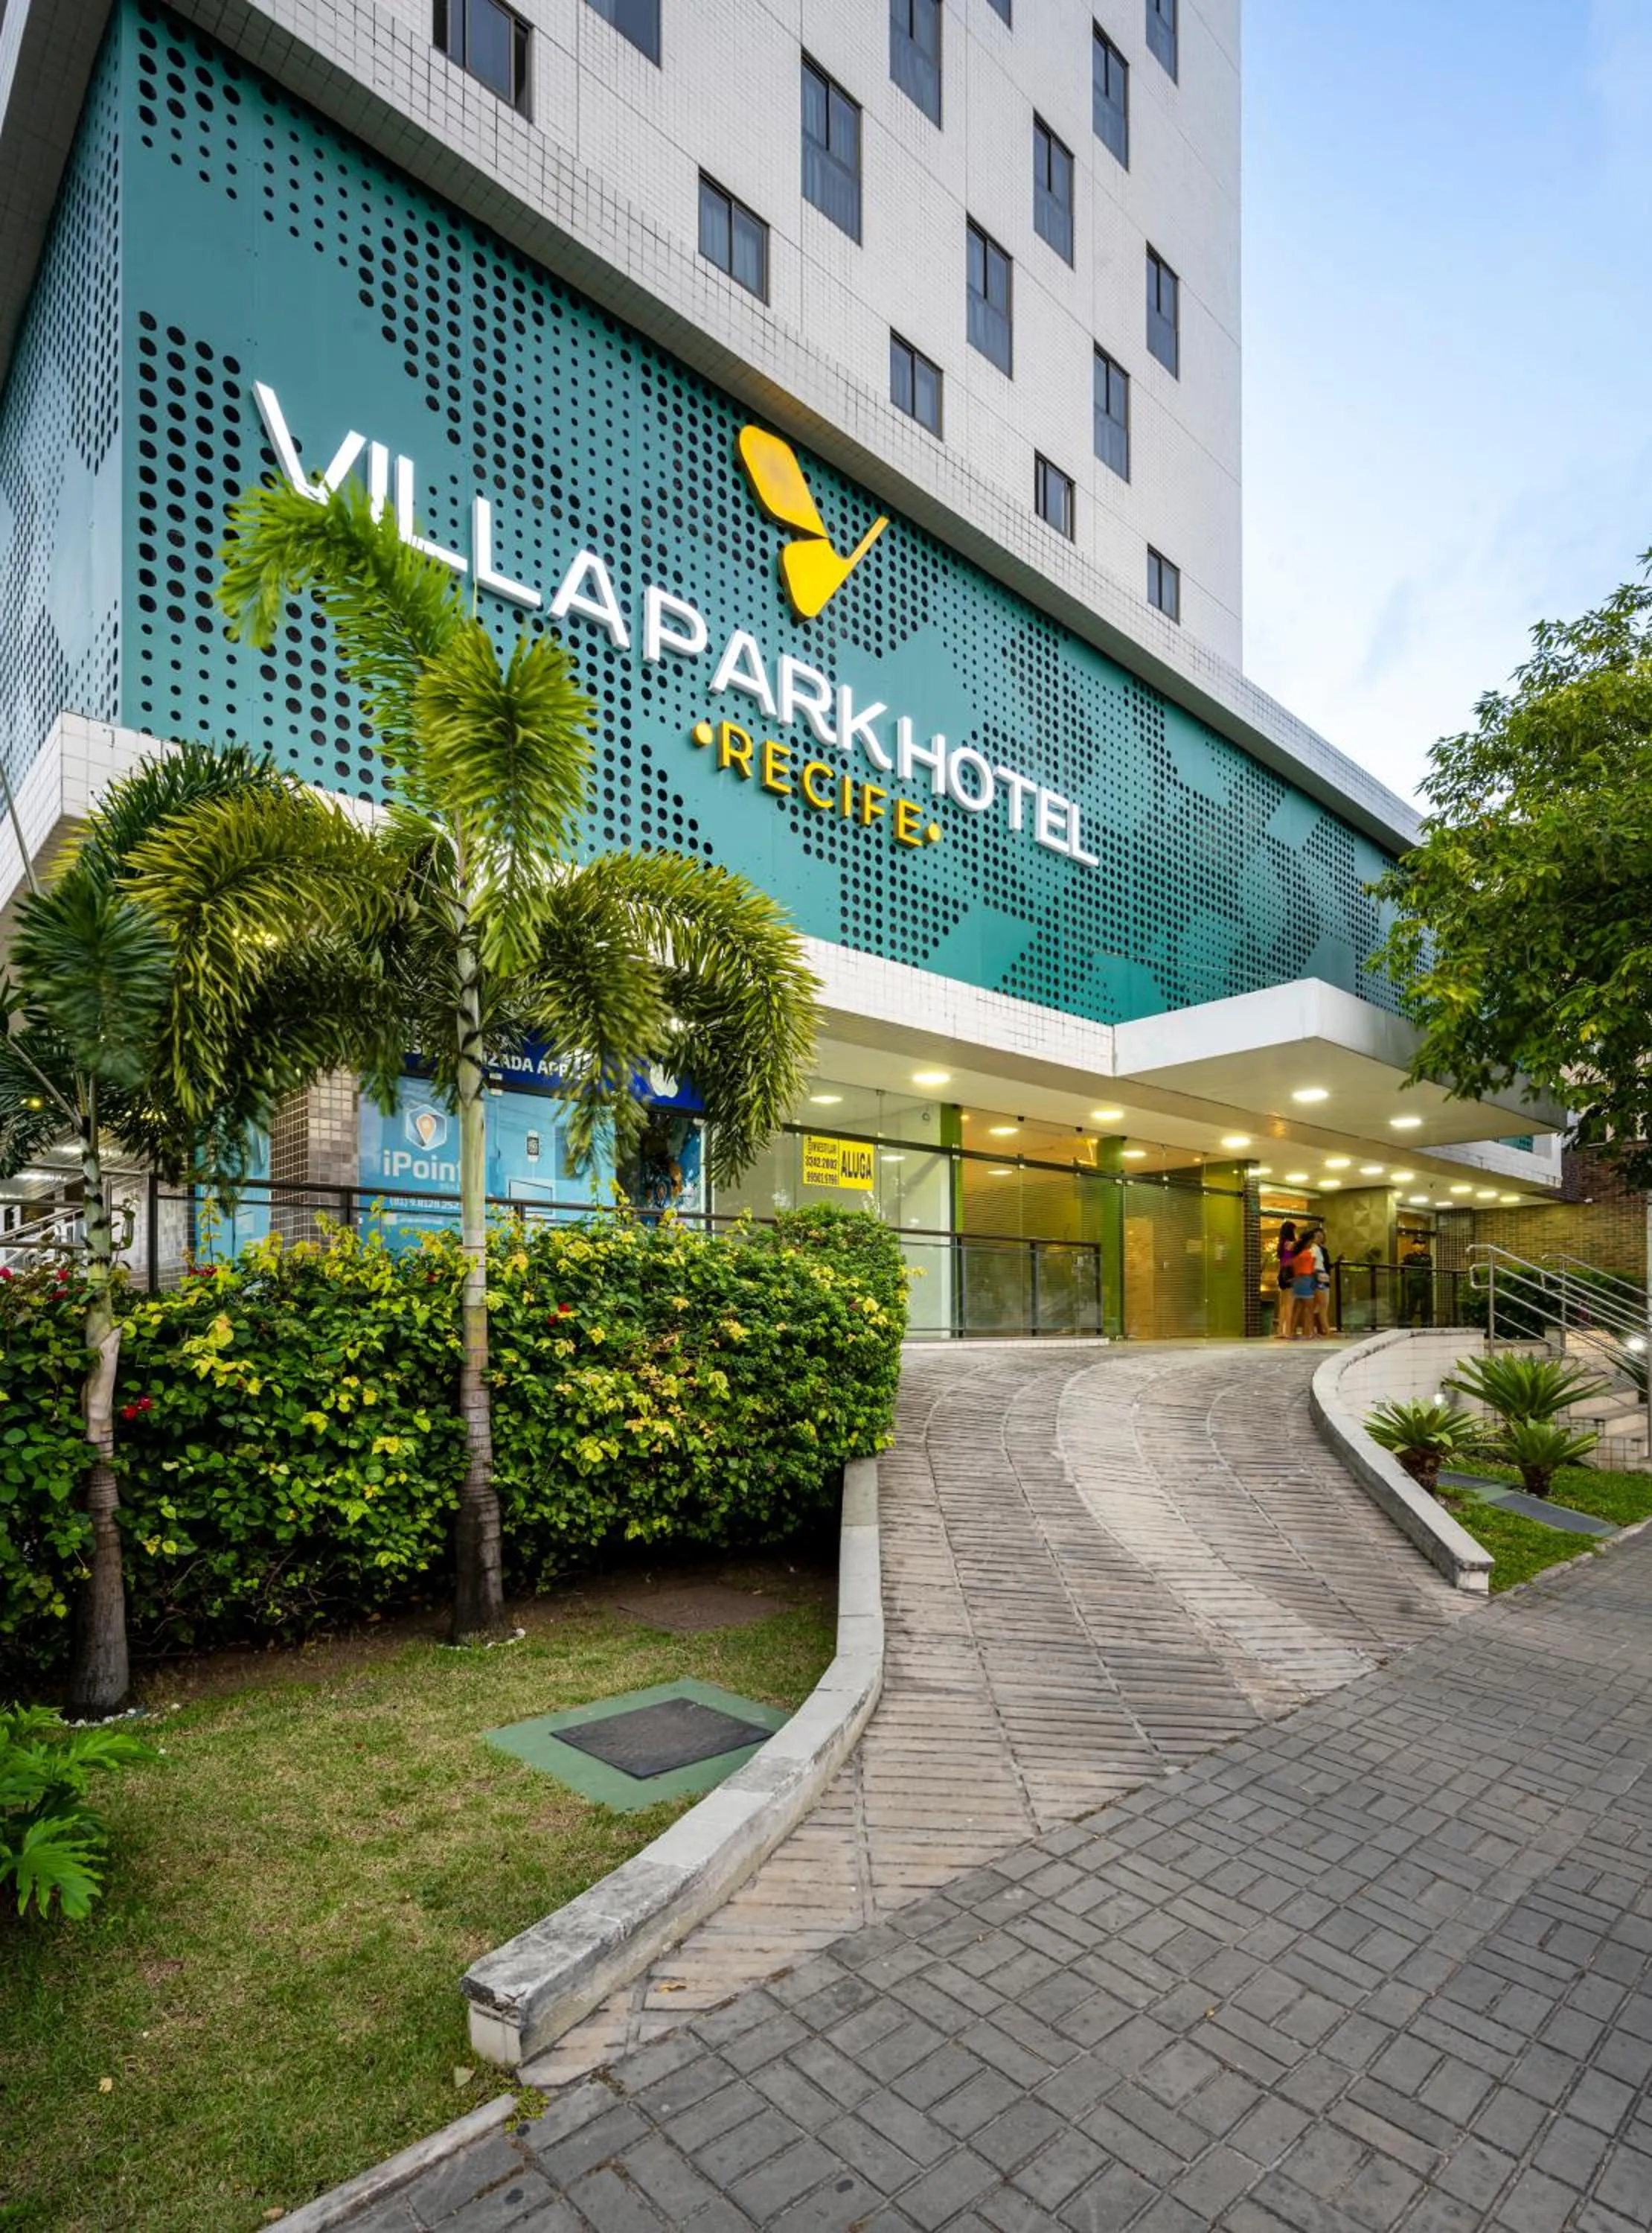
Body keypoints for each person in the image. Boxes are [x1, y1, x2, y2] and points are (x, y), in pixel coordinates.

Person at [1289, 1224, 1321, 1338]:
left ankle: (1291, 1332)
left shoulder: (1297, 1255)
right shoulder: (1308, 1254)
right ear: (1309, 1241)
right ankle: (1309, 1332)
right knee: (1310, 1309)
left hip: (1298, 1282)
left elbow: (1295, 1269)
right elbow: (1311, 1270)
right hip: (1307, 1280)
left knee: (1298, 1308)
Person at [1399, 1236, 1434, 1328]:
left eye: (1423, 1244)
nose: (1421, 1246)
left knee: (1425, 1305)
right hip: (1413, 1284)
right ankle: (1407, 1323)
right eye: (1419, 1244)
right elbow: (1402, 1267)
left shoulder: (1427, 1257)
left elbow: (1429, 1269)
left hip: (1425, 1283)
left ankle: (1425, 1324)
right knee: (1411, 1304)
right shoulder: (1409, 1257)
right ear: (1413, 1245)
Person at [1275, 1221, 1300, 1339]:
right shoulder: (1291, 1244)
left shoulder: (1281, 1244)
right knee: (1290, 1304)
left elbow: (1281, 1262)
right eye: (1294, 1230)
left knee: (1284, 1305)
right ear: (1291, 1231)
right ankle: (1288, 1331)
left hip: (1282, 1275)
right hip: (1290, 1274)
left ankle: (1280, 1331)